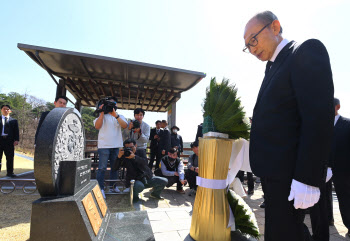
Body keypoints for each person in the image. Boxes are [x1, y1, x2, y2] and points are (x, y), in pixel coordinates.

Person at [244, 11, 334, 241]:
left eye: (253, 39)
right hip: (274, 176)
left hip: (291, 176)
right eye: (247, 46)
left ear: (275, 27)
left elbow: (316, 117)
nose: (252, 49)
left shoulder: (304, 51)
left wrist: (308, 177)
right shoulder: (273, 67)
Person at [94, 97, 127, 196]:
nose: (111, 105)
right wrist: (101, 112)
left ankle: (113, 187)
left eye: (114, 103)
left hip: (116, 146)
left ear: (116, 105)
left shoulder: (120, 116)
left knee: (115, 167)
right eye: (109, 104)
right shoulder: (100, 115)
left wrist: (116, 116)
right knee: (102, 168)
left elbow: (125, 125)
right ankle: (100, 189)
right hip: (104, 146)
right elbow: (97, 126)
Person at [329, 98, 350, 238]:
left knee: (345, 199)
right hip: (323, 169)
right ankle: (328, 218)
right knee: (323, 198)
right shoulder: (321, 125)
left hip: (344, 170)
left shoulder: (347, 124)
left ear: (338, 107)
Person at [0, 105, 19, 177]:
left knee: (10, 158)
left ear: (10, 111)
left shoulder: (14, 121)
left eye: (7, 109)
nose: (6, 110)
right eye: (4, 109)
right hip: (0, 140)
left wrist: (16, 140)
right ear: (1, 110)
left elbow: (16, 131)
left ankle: (10, 173)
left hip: (9, 141)